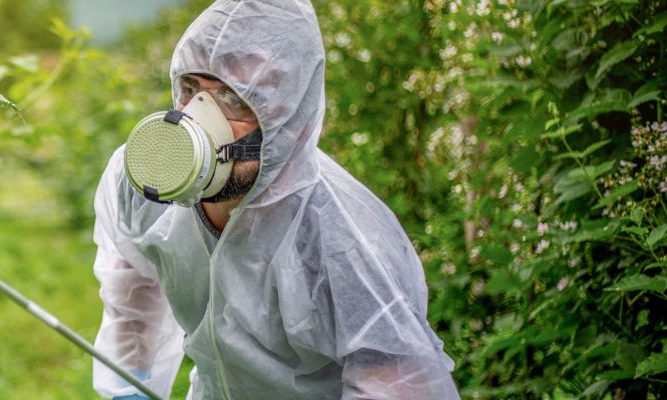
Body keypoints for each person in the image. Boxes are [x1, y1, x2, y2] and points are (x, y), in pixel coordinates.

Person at [90, 1, 461, 399]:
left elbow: (396, 385)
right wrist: (130, 385)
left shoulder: (343, 239)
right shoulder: (146, 187)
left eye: (234, 98)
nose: (199, 118)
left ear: (291, 119)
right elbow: (134, 289)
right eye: (191, 90)